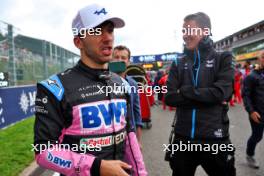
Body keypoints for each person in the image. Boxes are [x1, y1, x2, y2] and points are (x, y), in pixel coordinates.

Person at [33, 4, 147, 176]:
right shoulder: (54, 88)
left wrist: (141, 173)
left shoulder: (122, 84)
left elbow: (129, 135)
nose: (108, 38)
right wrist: (96, 166)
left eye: (110, 30)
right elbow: (43, 152)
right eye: (97, 31)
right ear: (78, 41)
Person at [165, 12, 236, 176]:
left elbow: (221, 93)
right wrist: (209, 98)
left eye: (189, 30)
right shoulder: (178, 61)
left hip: (215, 138)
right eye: (183, 31)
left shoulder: (224, 57)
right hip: (182, 138)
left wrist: (184, 91)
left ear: (205, 31)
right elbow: (168, 97)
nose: (184, 35)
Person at [112, 45, 143, 147]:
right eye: (116, 57)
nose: (119, 60)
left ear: (128, 62)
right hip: (110, 137)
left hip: (130, 135)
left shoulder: (132, 83)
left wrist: (138, 141)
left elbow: (137, 112)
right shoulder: (101, 81)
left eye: (123, 58)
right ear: (111, 60)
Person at [242, 51, 264, 169]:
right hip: (257, 113)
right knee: (257, 136)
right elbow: (246, 96)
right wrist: (251, 111)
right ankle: (249, 155)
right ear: (259, 59)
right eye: (263, 57)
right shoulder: (251, 76)